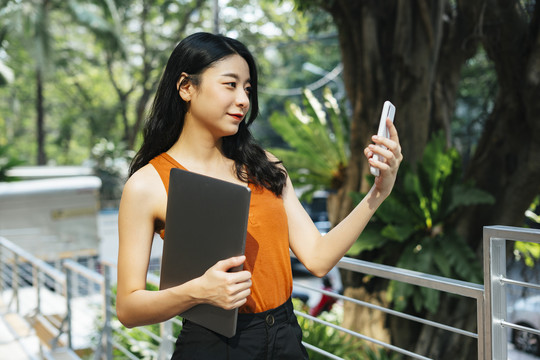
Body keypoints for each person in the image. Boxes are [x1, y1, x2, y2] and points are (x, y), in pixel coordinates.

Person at [116, 32, 402, 360]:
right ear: (186, 87)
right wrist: (198, 291)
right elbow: (128, 307)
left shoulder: (266, 167)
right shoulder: (147, 184)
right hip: (213, 347)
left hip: (285, 337)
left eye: (248, 88)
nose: (243, 100)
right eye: (230, 84)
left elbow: (319, 258)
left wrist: (378, 192)